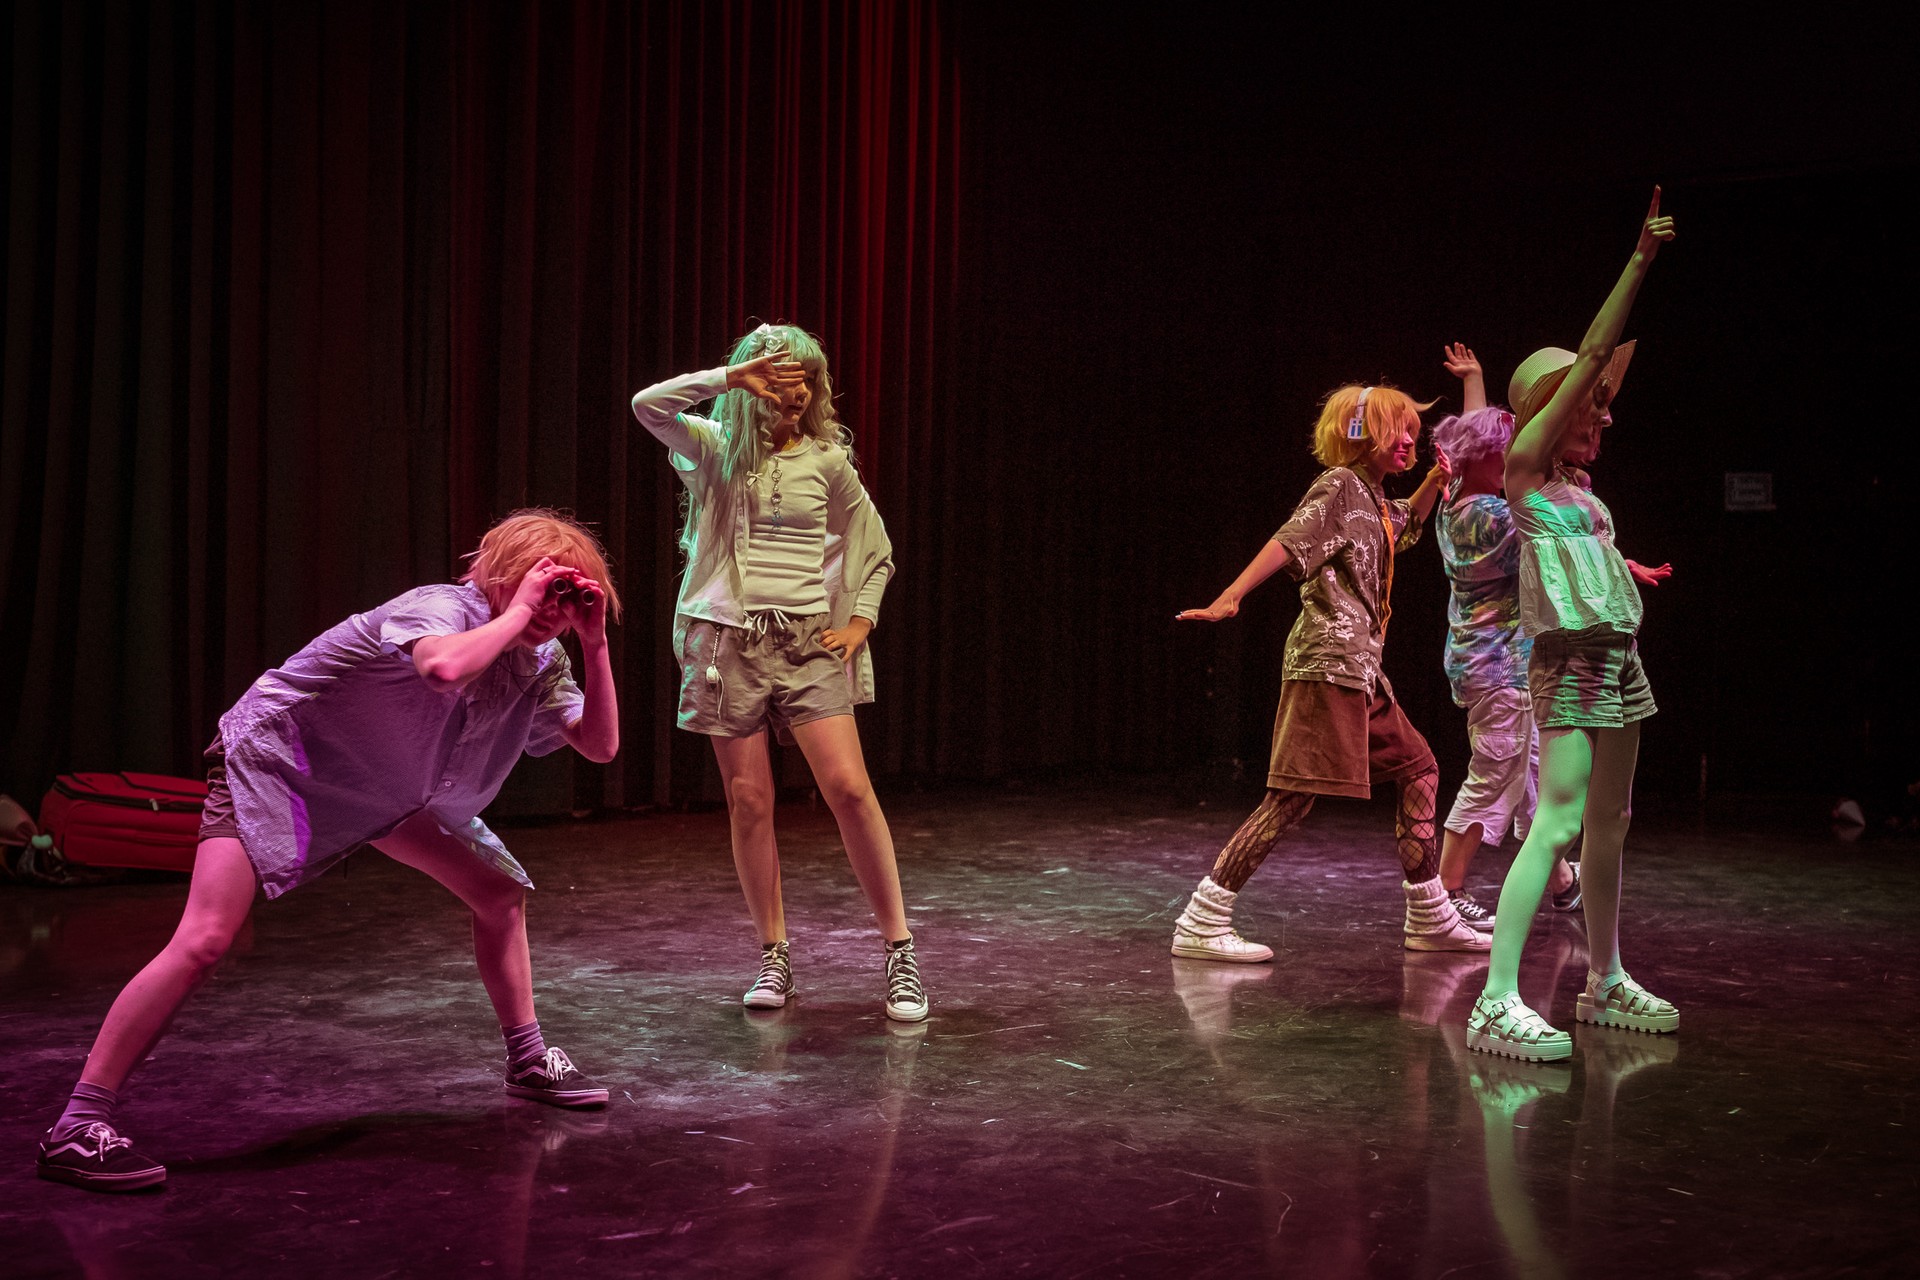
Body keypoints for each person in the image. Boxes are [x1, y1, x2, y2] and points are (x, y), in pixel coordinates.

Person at [37, 510, 624, 1192]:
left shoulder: (542, 658)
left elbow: (600, 746)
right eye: (543, 586)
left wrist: (594, 643)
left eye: (568, 594)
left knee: (498, 894)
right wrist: (521, 609)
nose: (551, 607)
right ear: (496, 576)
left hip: (382, 788)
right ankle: (76, 1125)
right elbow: (442, 667)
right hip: (279, 762)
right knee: (205, 939)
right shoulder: (442, 607)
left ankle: (528, 1061)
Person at [629, 323, 925, 1023]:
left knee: (848, 789)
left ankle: (900, 950)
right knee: (750, 800)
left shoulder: (827, 460)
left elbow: (874, 547)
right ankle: (774, 954)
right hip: (724, 643)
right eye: (777, 381)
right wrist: (728, 379)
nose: (792, 396)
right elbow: (647, 405)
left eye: (804, 384)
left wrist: (861, 621)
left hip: (805, 641)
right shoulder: (713, 448)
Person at [1467, 189, 1679, 1062]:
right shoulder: (1524, 467)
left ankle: (1606, 978)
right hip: (1570, 662)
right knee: (1557, 821)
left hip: (1619, 656)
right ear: (1559, 406)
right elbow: (1594, 352)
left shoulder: (1578, 495)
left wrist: (1625, 572)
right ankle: (1495, 999)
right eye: (1595, 401)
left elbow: (1579, 562)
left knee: (1611, 821)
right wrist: (1638, 261)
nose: (1606, 412)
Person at [1173, 382, 1488, 961]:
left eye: (1413, 433)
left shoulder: (1371, 498)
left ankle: (1430, 916)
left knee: (1419, 769)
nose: (1408, 440)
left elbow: (1400, 529)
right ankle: (1203, 917)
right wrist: (1231, 594)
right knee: (1291, 800)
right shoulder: (1340, 485)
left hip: (1361, 672)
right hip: (1326, 667)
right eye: (1396, 430)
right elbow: (1291, 539)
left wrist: (1434, 482)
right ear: (1359, 431)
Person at [1427, 344, 1578, 930]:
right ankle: (1447, 891)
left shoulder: (1455, 501)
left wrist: (1475, 380)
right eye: (1506, 452)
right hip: (1498, 669)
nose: (1514, 457)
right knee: (1496, 773)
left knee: (1531, 775)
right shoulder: (1493, 519)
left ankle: (1561, 882)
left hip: (1493, 663)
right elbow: (1550, 517)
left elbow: (1475, 441)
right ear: (1490, 459)